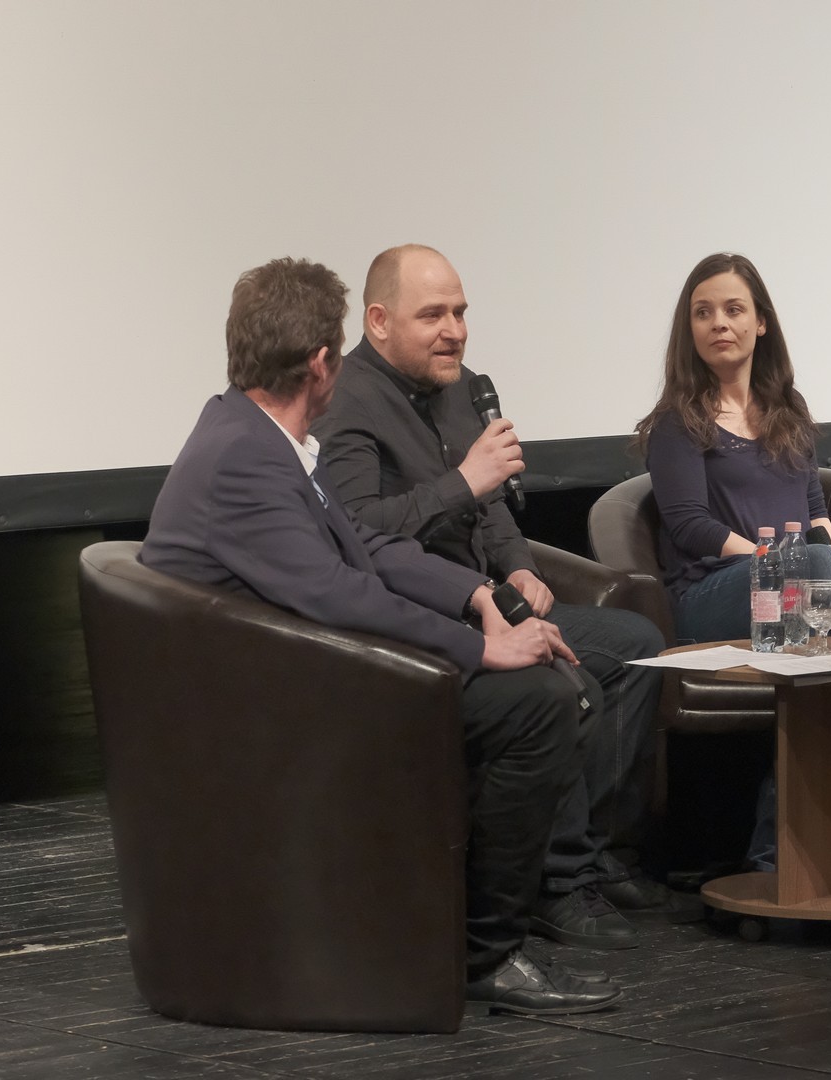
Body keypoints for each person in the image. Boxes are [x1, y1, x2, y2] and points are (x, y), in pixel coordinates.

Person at [141, 256, 621, 1016]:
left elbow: (365, 546)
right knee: (534, 704)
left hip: (305, 677)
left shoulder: (257, 434)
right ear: (321, 364)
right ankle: (486, 954)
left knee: (538, 687)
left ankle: (467, 930)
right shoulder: (245, 458)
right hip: (271, 710)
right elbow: (336, 592)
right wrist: (481, 649)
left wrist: (476, 596)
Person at [310, 245, 675, 946]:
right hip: (423, 611)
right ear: (379, 321)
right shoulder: (348, 401)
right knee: (560, 673)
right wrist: (462, 484)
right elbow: (355, 532)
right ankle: (555, 883)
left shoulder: (463, 388)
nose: (454, 331)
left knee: (636, 648)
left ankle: (597, 855)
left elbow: (494, 506)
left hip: (489, 595)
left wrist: (518, 567)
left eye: (460, 312)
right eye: (433, 316)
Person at [633, 252, 831, 869]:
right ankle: (778, 856)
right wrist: (778, 561)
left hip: (792, 590)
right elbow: (689, 525)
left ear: (761, 322)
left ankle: (800, 847)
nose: (718, 323)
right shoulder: (677, 423)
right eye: (703, 313)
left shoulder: (788, 410)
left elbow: (816, 509)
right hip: (710, 596)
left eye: (733, 309)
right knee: (814, 574)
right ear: (689, 330)